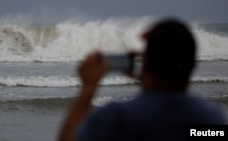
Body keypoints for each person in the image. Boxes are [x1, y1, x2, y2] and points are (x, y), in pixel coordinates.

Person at [58, 18, 226, 141]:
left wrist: (88, 88)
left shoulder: (117, 118)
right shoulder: (210, 117)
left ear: (145, 64)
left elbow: (68, 138)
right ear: (191, 65)